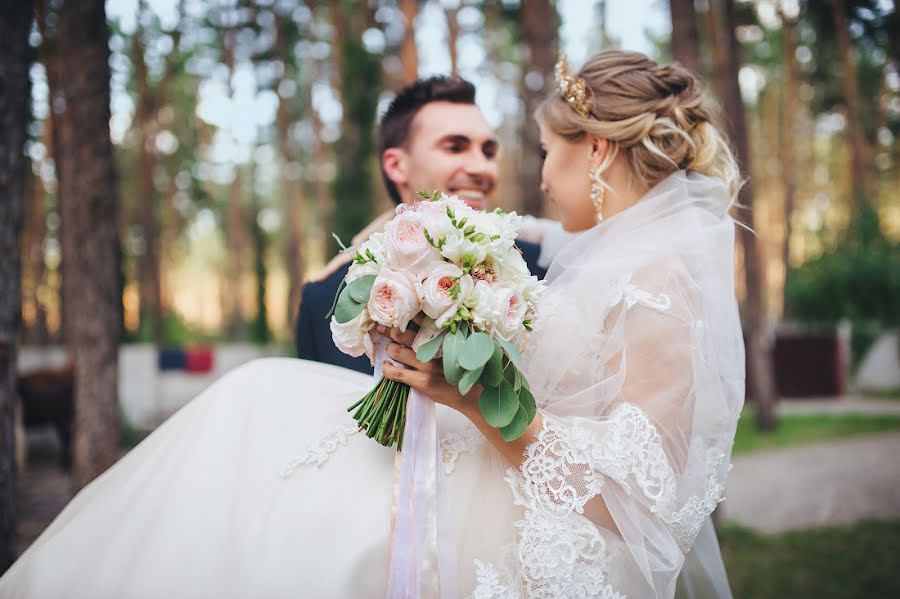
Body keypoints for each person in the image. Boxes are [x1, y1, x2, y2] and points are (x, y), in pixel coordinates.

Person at [0, 50, 744, 598]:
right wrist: (404, 242)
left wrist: (483, 403)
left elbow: (639, 503)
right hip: (472, 469)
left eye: (545, 153)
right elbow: (482, 221)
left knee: (267, 451)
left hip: (527, 528)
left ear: (599, 149)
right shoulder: (593, 247)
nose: (536, 176)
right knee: (253, 404)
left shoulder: (658, 285)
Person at [295, 75, 563, 374]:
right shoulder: (323, 299)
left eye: (488, 152)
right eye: (455, 147)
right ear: (397, 166)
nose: (482, 168)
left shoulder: (540, 274)